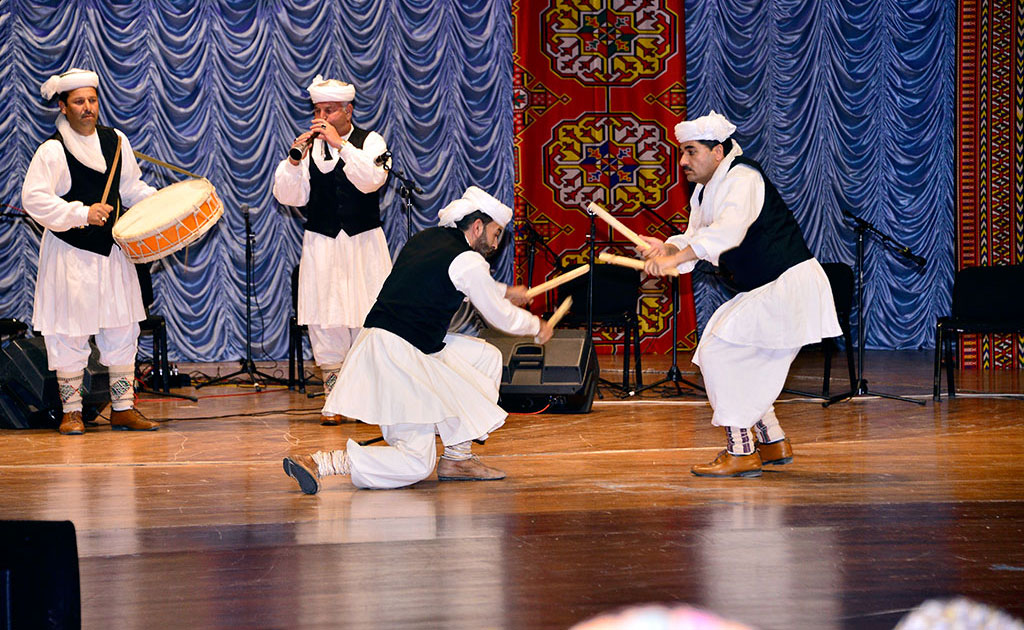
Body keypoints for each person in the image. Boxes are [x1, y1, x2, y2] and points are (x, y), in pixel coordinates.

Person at [282, 186, 555, 492]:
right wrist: (536, 326)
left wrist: (505, 291)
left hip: (398, 346)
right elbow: (499, 315)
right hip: (396, 358)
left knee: (485, 357)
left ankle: (458, 457)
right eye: (495, 233)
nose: (496, 242)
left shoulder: (427, 240)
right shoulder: (468, 261)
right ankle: (322, 462)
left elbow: (467, 282)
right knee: (416, 463)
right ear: (477, 226)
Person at [641, 111, 841, 477]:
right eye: (681, 153)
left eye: (690, 151)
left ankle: (742, 451)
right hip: (771, 288)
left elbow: (726, 234)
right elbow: (696, 236)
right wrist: (667, 250)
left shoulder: (743, 177)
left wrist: (679, 254)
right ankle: (772, 441)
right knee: (724, 353)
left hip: (788, 285)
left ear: (717, 152)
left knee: (721, 353)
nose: (682, 161)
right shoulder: (706, 190)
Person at [21, 68, 161, 435]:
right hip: (70, 253)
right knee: (69, 331)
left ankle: (123, 408)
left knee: (121, 326)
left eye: (93, 100)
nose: (88, 108)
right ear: (64, 107)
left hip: (111, 252)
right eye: (79, 102)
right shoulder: (51, 150)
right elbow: (33, 200)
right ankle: (71, 412)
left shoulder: (116, 140)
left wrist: (163, 205)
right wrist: (81, 213)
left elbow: (131, 189)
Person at [272, 75, 392, 425]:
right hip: (322, 244)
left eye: (329, 111)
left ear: (348, 110)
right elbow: (290, 197)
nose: (320, 117)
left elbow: (371, 180)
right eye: (317, 111)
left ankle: (366, 400)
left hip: (363, 244)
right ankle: (335, 400)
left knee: (365, 318)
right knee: (327, 318)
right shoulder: (310, 149)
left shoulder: (371, 141)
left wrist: (341, 144)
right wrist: (294, 161)